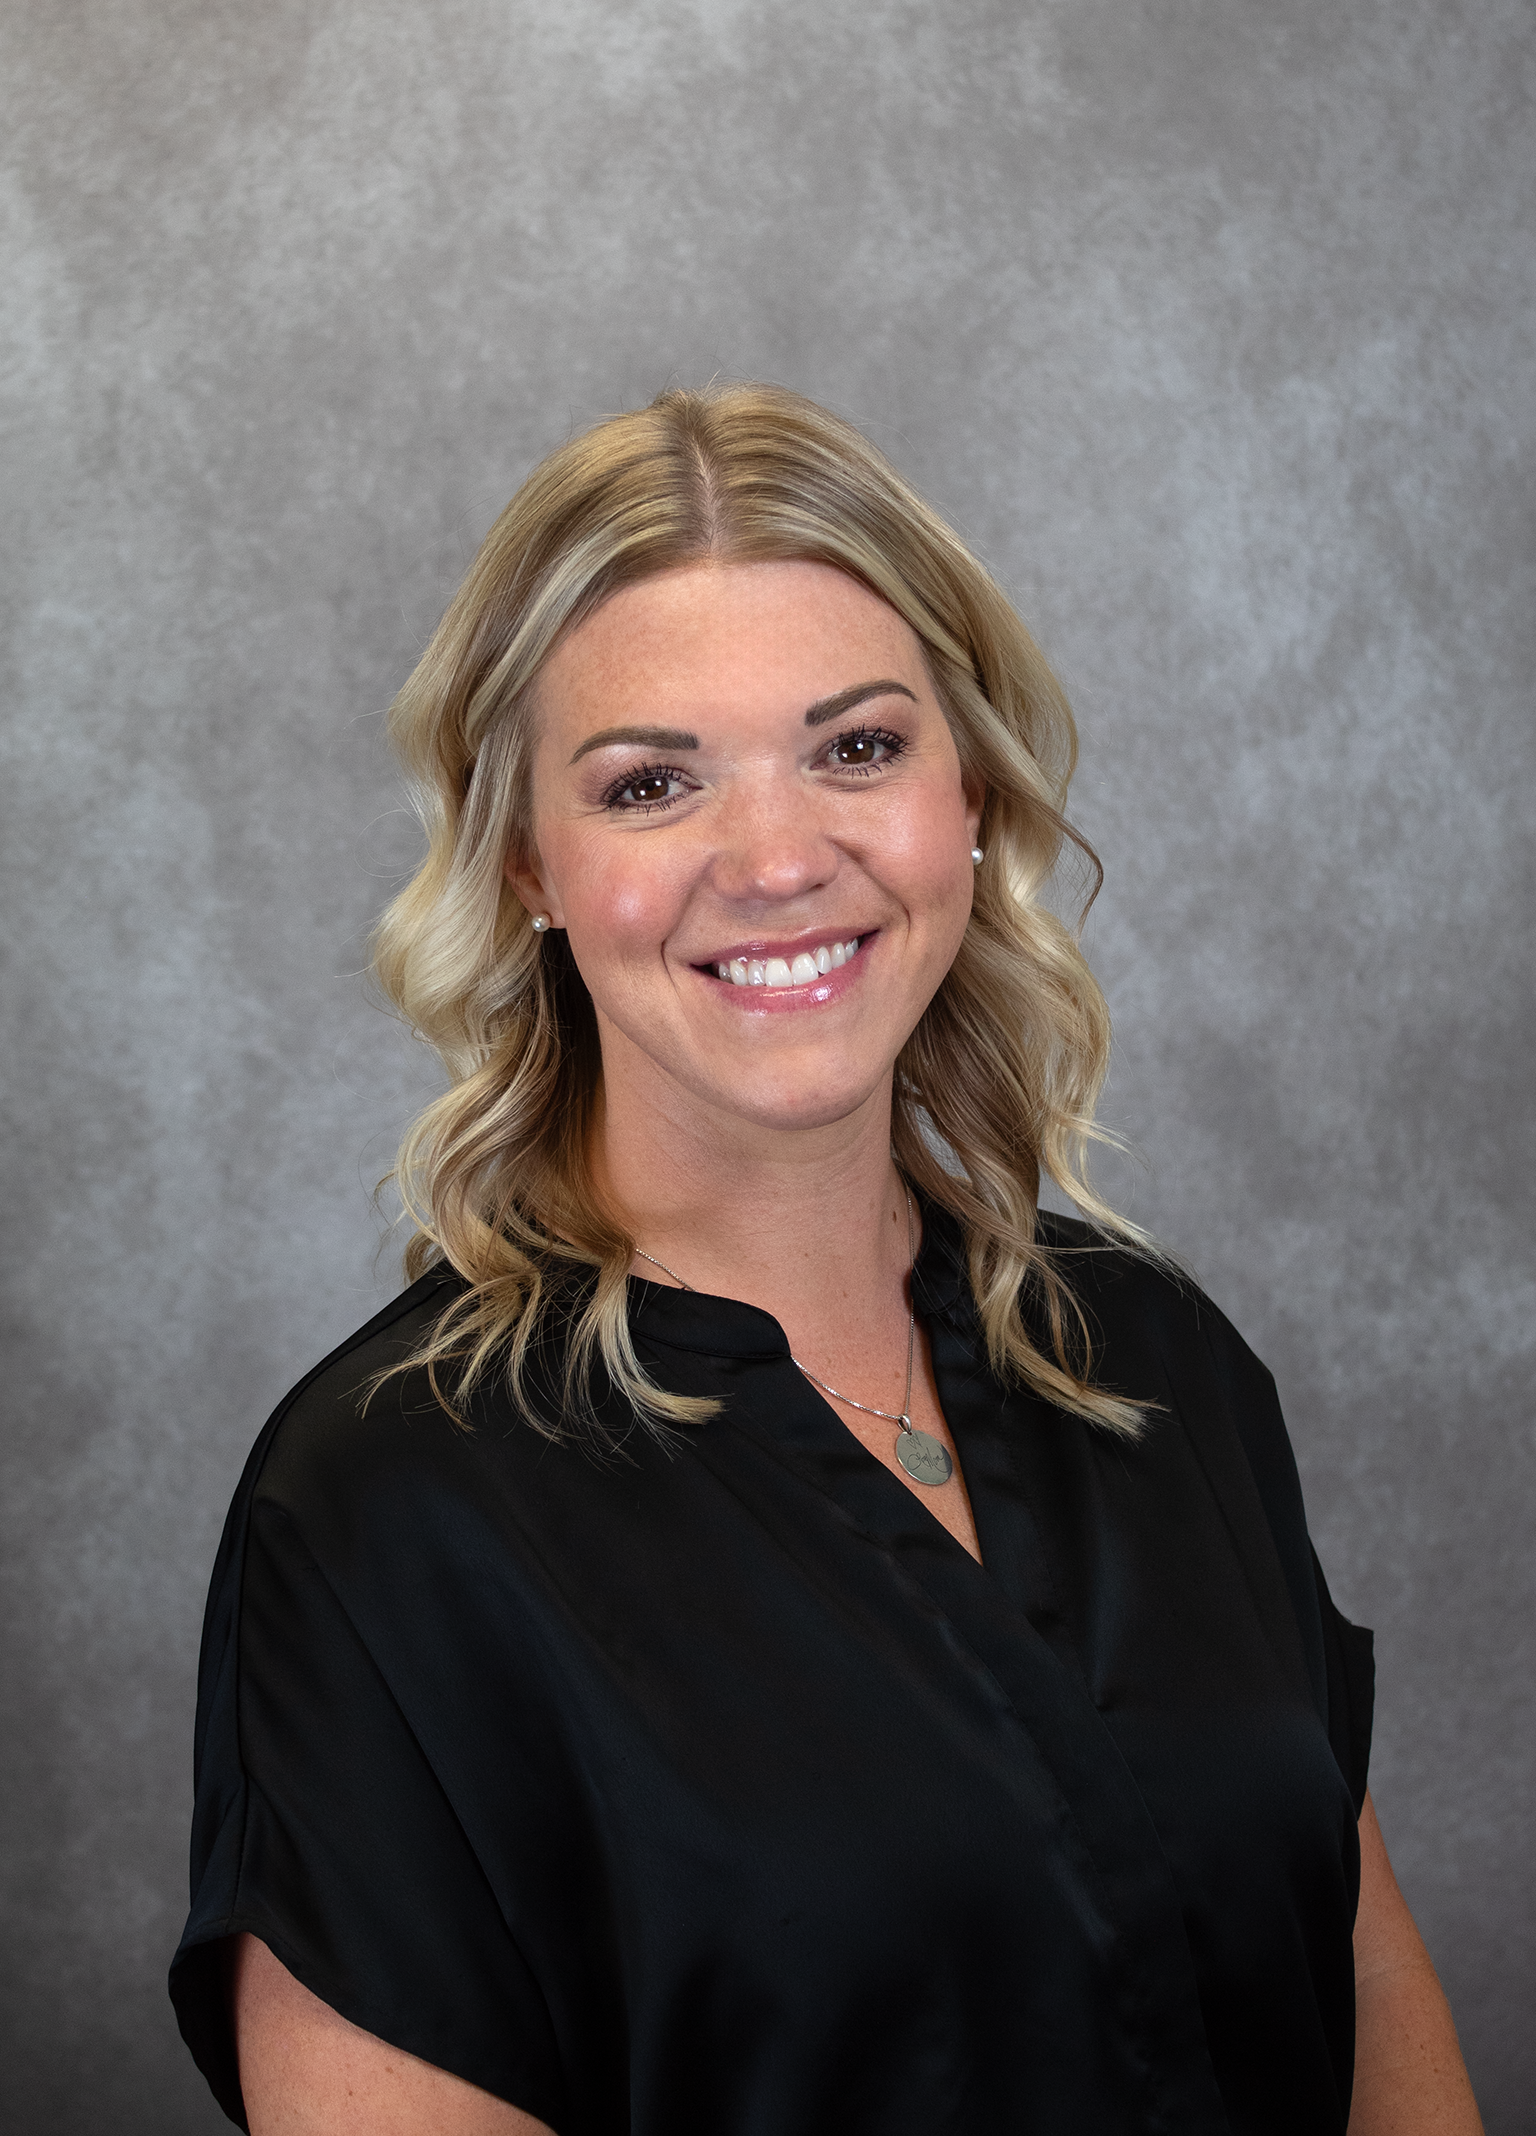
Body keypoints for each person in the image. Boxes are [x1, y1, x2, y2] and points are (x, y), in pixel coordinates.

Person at [169, 383, 1482, 2135]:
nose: (782, 860)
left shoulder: (1157, 1360)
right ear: (526, 866)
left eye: (857, 749)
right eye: (652, 783)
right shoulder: (383, 1512)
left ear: (971, 799)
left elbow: (1368, 1989)